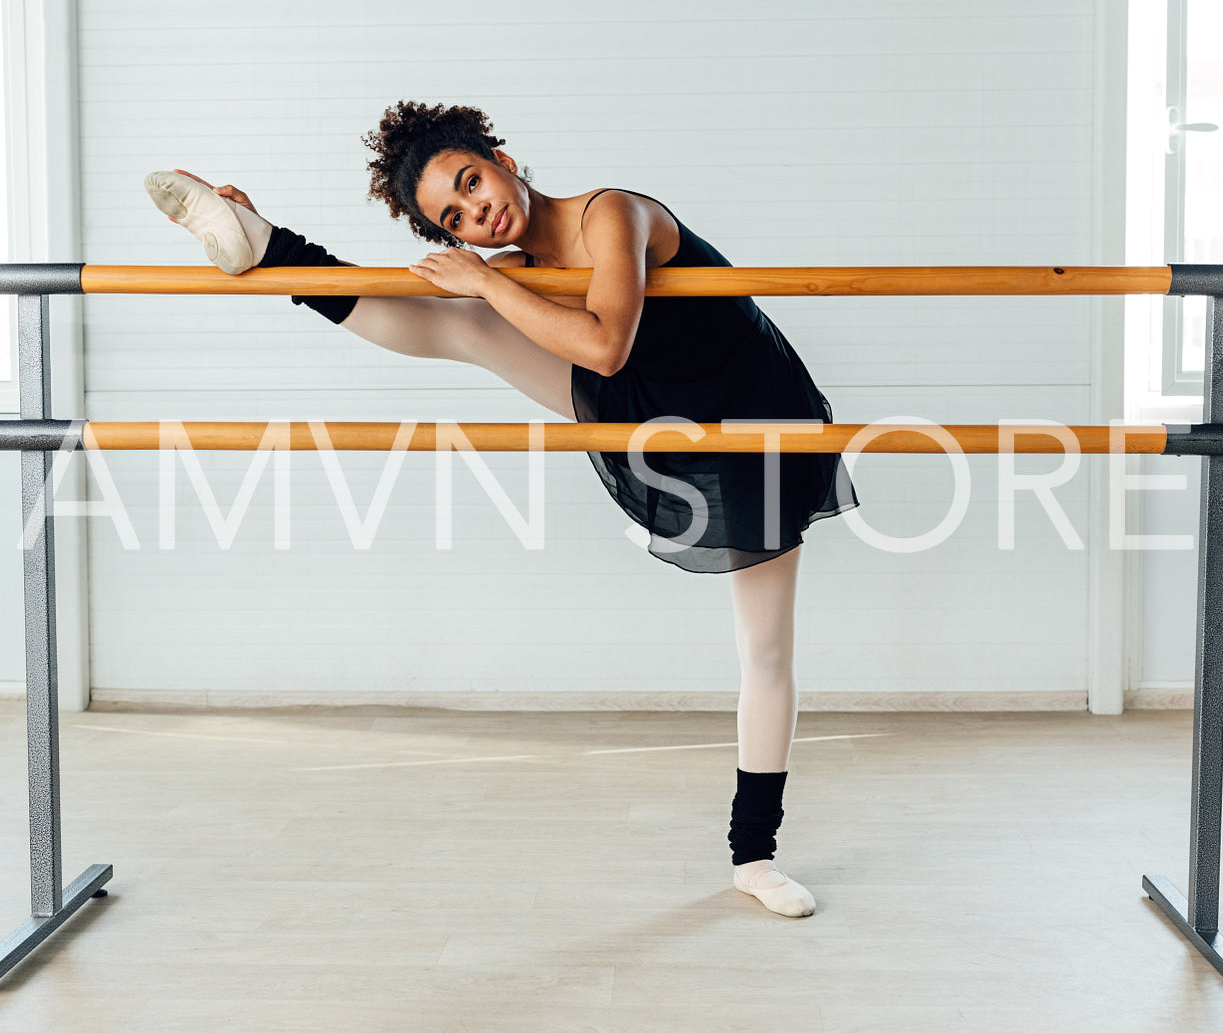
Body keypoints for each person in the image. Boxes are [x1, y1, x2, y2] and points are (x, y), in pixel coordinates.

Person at [144, 100, 860, 918]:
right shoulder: (515, 263)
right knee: (466, 327)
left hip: (752, 411)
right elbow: (530, 332)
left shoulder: (609, 214)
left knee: (762, 648)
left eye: (471, 182)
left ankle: (754, 854)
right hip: (648, 400)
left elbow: (602, 344)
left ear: (503, 157)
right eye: (454, 218)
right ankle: (265, 244)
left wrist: (482, 279)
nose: (477, 212)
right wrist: (479, 287)